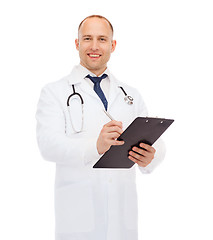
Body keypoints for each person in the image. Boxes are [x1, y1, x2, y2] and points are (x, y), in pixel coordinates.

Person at [36, 15, 166, 240]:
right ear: (77, 44)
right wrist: (95, 146)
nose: (94, 46)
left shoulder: (130, 95)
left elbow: (157, 140)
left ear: (112, 45)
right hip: (77, 219)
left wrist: (151, 156)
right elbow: (48, 145)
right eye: (87, 38)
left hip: (122, 223)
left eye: (102, 39)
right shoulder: (54, 92)